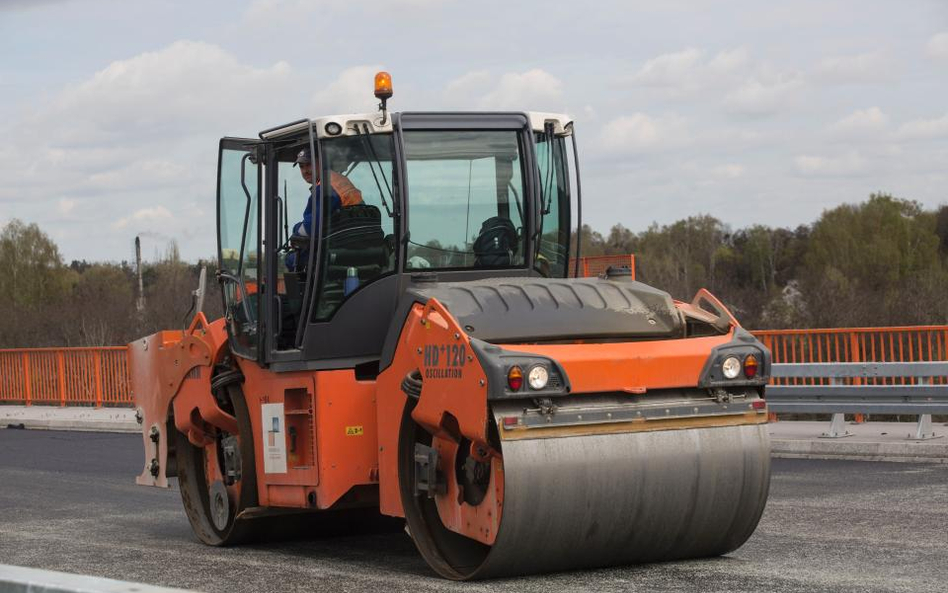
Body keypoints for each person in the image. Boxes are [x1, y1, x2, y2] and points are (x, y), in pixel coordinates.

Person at [287, 148, 363, 270]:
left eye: (309, 164)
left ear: (321, 163)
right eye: (301, 167)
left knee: (291, 260)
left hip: (340, 248)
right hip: (353, 243)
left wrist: (296, 229)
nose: (305, 170)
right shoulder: (338, 181)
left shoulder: (325, 189)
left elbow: (311, 228)